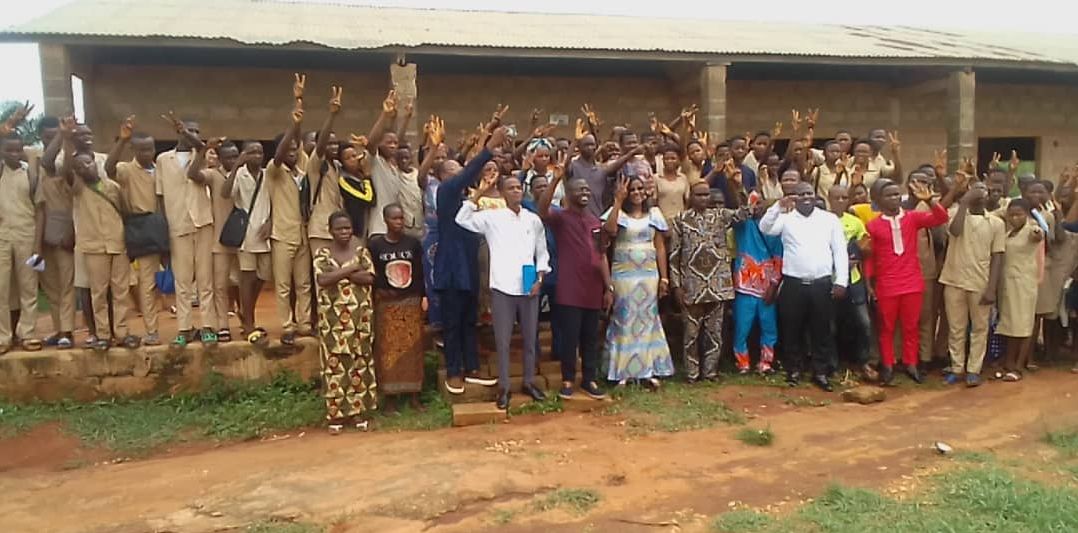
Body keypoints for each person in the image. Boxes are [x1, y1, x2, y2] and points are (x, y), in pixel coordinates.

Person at [455, 168, 551, 410]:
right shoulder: (492, 217)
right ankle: (504, 387)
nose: (516, 191)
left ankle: (529, 381)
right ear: (502, 193)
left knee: (530, 339)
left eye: (519, 187)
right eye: (511, 188)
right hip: (502, 287)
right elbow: (461, 219)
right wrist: (479, 194)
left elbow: (542, 251)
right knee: (503, 341)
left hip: (529, 284)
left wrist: (540, 277)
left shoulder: (533, 219)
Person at [434, 127, 507, 394]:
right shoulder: (445, 192)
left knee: (469, 322)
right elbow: (468, 172)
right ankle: (454, 372)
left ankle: (472, 368)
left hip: (469, 270)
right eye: (454, 170)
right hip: (452, 270)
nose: (459, 173)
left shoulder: (467, 199)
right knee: (452, 324)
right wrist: (488, 146)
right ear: (444, 176)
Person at [760, 181, 848, 391]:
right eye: (800, 194)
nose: (806, 197)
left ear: (815, 195)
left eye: (809, 192)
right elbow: (765, 227)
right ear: (794, 198)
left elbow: (839, 251)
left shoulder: (829, 219)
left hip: (822, 283)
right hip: (793, 284)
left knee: (822, 329)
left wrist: (841, 280)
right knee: (792, 329)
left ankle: (820, 372)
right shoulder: (786, 219)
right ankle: (794, 370)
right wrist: (777, 207)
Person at [865, 176, 954, 385]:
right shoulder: (873, 225)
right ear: (879, 199)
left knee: (910, 326)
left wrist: (931, 200)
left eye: (897, 194)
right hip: (887, 284)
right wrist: (870, 285)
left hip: (912, 282)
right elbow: (870, 258)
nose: (894, 198)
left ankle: (910, 364)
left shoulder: (913, 218)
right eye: (889, 195)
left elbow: (940, 218)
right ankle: (888, 365)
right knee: (886, 328)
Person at [62, 120, 138, 352]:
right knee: (98, 293)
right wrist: (66, 139)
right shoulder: (77, 189)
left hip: (117, 244)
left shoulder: (112, 187)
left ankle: (122, 333)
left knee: (120, 291)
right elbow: (65, 170)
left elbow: (124, 213)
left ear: (95, 164)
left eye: (89, 163)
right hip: (93, 246)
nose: (86, 167)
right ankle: (103, 334)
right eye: (81, 166)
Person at [538, 164, 611, 400]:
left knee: (590, 338)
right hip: (569, 289)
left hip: (592, 288)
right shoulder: (560, 218)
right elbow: (542, 210)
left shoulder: (594, 221)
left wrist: (607, 286)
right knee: (569, 338)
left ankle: (589, 379)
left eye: (587, 190)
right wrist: (555, 180)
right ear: (568, 195)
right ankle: (568, 379)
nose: (585, 193)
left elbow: (601, 255)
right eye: (580, 190)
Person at [602, 175, 674, 389]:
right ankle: (623, 371)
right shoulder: (619, 214)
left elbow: (660, 246)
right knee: (624, 319)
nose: (636, 193)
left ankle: (647, 370)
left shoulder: (654, 214)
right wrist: (617, 200)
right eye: (632, 189)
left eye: (639, 188)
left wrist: (664, 277)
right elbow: (610, 230)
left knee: (647, 320)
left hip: (648, 275)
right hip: (624, 275)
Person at [670, 180, 744, 381]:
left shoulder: (720, 216)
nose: (703, 198)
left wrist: (737, 187)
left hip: (717, 286)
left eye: (706, 195)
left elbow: (745, 212)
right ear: (690, 197)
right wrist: (676, 286)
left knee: (715, 333)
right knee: (691, 334)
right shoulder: (680, 220)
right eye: (699, 195)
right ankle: (692, 373)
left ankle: (710, 372)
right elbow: (674, 255)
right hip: (692, 286)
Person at [313, 210, 377, 434]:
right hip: (332, 323)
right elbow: (323, 279)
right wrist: (351, 269)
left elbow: (369, 278)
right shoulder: (322, 253)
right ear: (330, 231)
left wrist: (339, 274)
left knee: (359, 364)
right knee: (335, 367)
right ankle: (335, 416)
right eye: (340, 229)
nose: (345, 232)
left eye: (348, 228)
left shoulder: (361, 251)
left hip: (360, 319)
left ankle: (358, 413)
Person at [157, 113, 217, 347]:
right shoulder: (163, 160)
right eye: (189, 130)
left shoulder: (201, 156)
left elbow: (199, 162)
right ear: (178, 132)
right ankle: (184, 327)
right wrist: (163, 228)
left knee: (205, 279)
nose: (193, 134)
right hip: (177, 223)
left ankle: (208, 326)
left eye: (196, 131)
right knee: (182, 281)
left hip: (202, 222)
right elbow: (160, 197)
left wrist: (190, 137)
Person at [939, 181, 1005, 387]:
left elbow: (997, 257)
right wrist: (964, 202)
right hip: (954, 279)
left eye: (982, 193)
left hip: (980, 282)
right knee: (956, 328)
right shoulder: (956, 215)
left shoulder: (996, 223)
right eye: (975, 192)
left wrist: (992, 288)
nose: (980, 196)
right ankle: (957, 367)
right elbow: (956, 232)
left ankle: (974, 370)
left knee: (979, 328)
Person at [105, 117, 163, 345]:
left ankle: (185, 327)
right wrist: (122, 140)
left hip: (161, 225)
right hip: (140, 228)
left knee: (170, 281)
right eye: (141, 149)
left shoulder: (160, 169)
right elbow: (108, 168)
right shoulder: (126, 169)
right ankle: (152, 330)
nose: (146, 153)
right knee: (146, 282)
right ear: (133, 149)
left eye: (149, 148)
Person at [267, 80, 313, 346]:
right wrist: (292, 124)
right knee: (283, 286)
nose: (294, 153)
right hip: (282, 235)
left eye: (296, 151)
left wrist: (299, 102)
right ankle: (287, 325)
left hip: (303, 234)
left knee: (304, 283)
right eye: (290, 151)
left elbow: (297, 142)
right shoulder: (273, 172)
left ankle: (305, 323)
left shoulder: (302, 166)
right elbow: (285, 145)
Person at [368, 203, 425, 410]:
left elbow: (420, 270)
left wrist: (423, 295)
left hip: (410, 301)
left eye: (401, 218)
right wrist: (380, 290)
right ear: (385, 220)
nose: (399, 222)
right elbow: (372, 272)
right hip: (387, 303)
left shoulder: (413, 243)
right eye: (395, 218)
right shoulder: (376, 245)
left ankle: (414, 395)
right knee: (388, 350)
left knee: (413, 348)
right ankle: (390, 397)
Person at [189, 137, 242, 343]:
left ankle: (247, 321)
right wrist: (203, 150)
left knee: (245, 282)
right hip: (220, 239)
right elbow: (193, 174)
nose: (232, 160)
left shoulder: (246, 175)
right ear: (219, 159)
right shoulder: (213, 175)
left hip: (246, 238)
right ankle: (223, 325)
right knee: (220, 285)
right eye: (228, 157)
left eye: (235, 157)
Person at [0, 132, 43, 354]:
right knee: (2, 289)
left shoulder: (30, 174)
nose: (14, 154)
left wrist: (38, 246)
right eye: (9, 149)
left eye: (18, 150)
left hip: (27, 235)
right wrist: (9, 126)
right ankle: (3, 337)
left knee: (29, 286)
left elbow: (40, 209)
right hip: (2, 237)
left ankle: (27, 333)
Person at [828, 185, 875, 381]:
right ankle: (831, 365)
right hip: (829, 280)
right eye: (836, 198)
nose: (840, 201)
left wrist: (858, 252)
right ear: (829, 199)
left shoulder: (855, 222)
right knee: (830, 326)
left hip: (854, 280)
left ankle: (863, 362)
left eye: (844, 198)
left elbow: (866, 244)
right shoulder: (822, 221)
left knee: (863, 323)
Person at [227, 142, 271, 342]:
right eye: (251, 152)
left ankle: (246, 312)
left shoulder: (268, 174)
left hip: (265, 234)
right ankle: (249, 323)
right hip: (246, 234)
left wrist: (271, 222)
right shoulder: (239, 175)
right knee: (247, 278)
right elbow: (225, 193)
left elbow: (273, 200)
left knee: (264, 275)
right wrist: (236, 165)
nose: (256, 155)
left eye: (260, 152)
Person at [997, 199, 1043, 382]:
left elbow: (1038, 235)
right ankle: (1008, 362)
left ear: (1027, 214)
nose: (1015, 218)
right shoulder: (1009, 233)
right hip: (1008, 285)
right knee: (1009, 325)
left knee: (1023, 326)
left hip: (1023, 285)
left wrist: (1035, 225)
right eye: (1012, 214)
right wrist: (1005, 210)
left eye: (1019, 214)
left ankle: (1018, 367)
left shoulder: (1031, 230)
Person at [567, 133, 643, 218]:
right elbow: (564, 165)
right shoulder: (573, 166)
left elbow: (616, 165)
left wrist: (632, 153)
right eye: (586, 145)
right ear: (579, 147)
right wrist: (575, 141)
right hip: (576, 218)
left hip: (597, 217)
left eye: (592, 144)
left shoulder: (601, 168)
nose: (589, 148)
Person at [307, 86, 344, 256]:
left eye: (336, 143)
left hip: (338, 229)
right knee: (322, 274)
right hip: (320, 229)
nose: (334, 147)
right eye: (330, 144)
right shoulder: (316, 163)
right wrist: (332, 115)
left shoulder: (337, 166)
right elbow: (321, 146)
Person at [654, 143, 689, 222]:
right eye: (667, 159)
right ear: (663, 160)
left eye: (673, 158)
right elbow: (654, 202)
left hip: (680, 221)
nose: (670, 161)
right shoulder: (656, 178)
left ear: (678, 160)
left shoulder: (683, 178)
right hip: (662, 221)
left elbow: (687, 200)